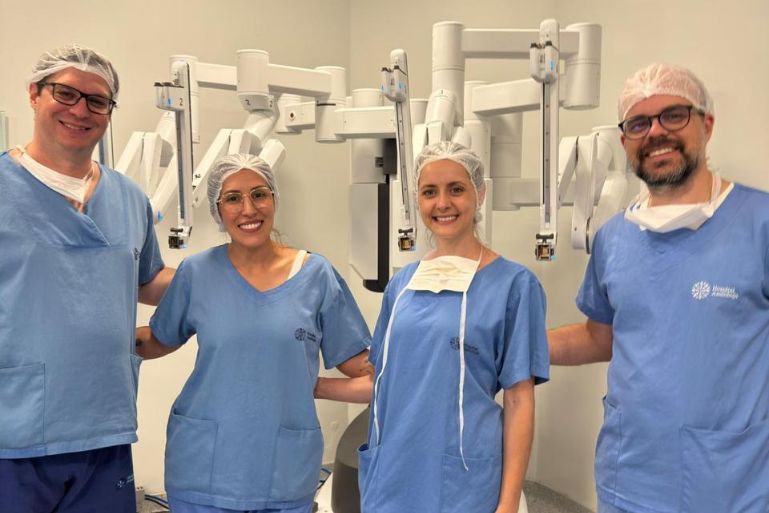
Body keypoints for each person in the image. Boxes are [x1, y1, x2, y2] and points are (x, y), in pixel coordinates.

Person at [548, 63, 769, 513]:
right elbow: (599, 337)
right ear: (625, 141)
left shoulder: (758, 224)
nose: (655, 132)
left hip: (735, 485)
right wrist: (507, 341)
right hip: (630, 479)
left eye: (673, 115)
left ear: (706, 124)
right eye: (638, 123)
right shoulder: (614, 238)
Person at [317, 142, 549, 513]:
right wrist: (313, 385)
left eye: (456, 189)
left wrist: (507, 505)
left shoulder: (515, 286)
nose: (442, 203)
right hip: (391, 475)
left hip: (463, 483)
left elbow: (519, 401)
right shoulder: (402, 284)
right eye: (429, 192)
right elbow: (382, 384)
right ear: (417, 200)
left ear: (479, 193)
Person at [135, 153, 373, 513]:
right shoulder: (197, 273)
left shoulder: (316, 275)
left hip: (284, 473)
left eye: (259, 194)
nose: (248, 209)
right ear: (217, 210)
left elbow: (369, 372)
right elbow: (156, 340)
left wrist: (318, 386)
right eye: (233, 198)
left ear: (274, 199)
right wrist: (97, 335)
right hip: (203, 470)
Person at [0, 44, 173, 513]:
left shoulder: (128, 197)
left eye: (97, 101)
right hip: (14, 434)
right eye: (65, 93)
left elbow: (147, 280)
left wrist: (227, 275)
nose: (80, 110)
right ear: (34, 94)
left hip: (104, 424)